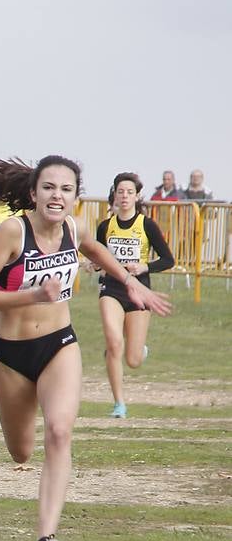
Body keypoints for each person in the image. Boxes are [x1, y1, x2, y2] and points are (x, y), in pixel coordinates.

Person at [0, 157, 171, 541]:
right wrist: (33, 297)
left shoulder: (74, 228)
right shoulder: (12, 232)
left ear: (75, 197)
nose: (56, 196)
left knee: (60, 431)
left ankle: (47, 538)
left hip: (59, 344)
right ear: (33, 193)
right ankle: (43, 528)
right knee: (21, 451)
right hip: (10, 353)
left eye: (65, 189)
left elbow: (96, 249)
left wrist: (129, 281)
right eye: (48, 188)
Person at [96, 172, 174, 418]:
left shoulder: (146, 225)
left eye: (130, 192)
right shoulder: (105, 226)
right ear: (115, 195)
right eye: (121, 191)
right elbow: (97, 256)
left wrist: (144, 267)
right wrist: (95, 265)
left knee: (133, 359)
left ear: (137, 195)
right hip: (112, 288)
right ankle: (119, 404)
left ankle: (139, 350)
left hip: (140, 292)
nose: (125, 196)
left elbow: (168, 259)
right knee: (113, 342)